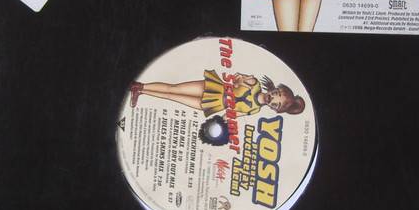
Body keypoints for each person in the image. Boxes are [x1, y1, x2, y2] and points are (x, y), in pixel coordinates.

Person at [129, 71, 305, 116]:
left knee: (172, 97)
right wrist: (238, 81)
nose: (272, 99)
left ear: (275, 109)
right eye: (276, 93)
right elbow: (238, 77)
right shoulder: (255, 84)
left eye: (276, 104)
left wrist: (226, 122)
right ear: (274, 89)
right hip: (214, 88)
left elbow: (233, 115)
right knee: (174, 89)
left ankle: (141, 91)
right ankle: (140, 85)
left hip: (214, 105)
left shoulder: (254, 110)